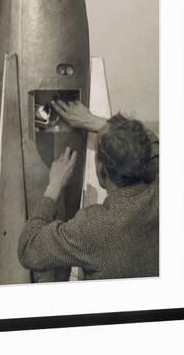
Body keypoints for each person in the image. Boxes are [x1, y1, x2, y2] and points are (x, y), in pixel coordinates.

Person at [18, 100, 159, 280]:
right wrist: (95, 122)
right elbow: (152, 143)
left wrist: (53, 187)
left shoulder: (93, 226)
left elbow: (28, 249)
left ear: (101, 170)